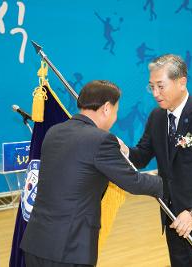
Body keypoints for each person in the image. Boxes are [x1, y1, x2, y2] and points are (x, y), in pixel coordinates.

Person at [20, 80, 163, 267]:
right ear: (106, 108)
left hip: (36, 243)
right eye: (116, 110)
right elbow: (134, 182)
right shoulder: (100, 140)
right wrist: (168, 183)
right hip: (69, 249)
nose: (115, 117)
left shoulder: (54, 132)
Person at [119, 54, 192, 267]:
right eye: (151, 87)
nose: (155, 94)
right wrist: (124, 150)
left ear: (181, 82)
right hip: (174, 219)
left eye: (160, 86)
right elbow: (141, 156)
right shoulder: (157, 118)